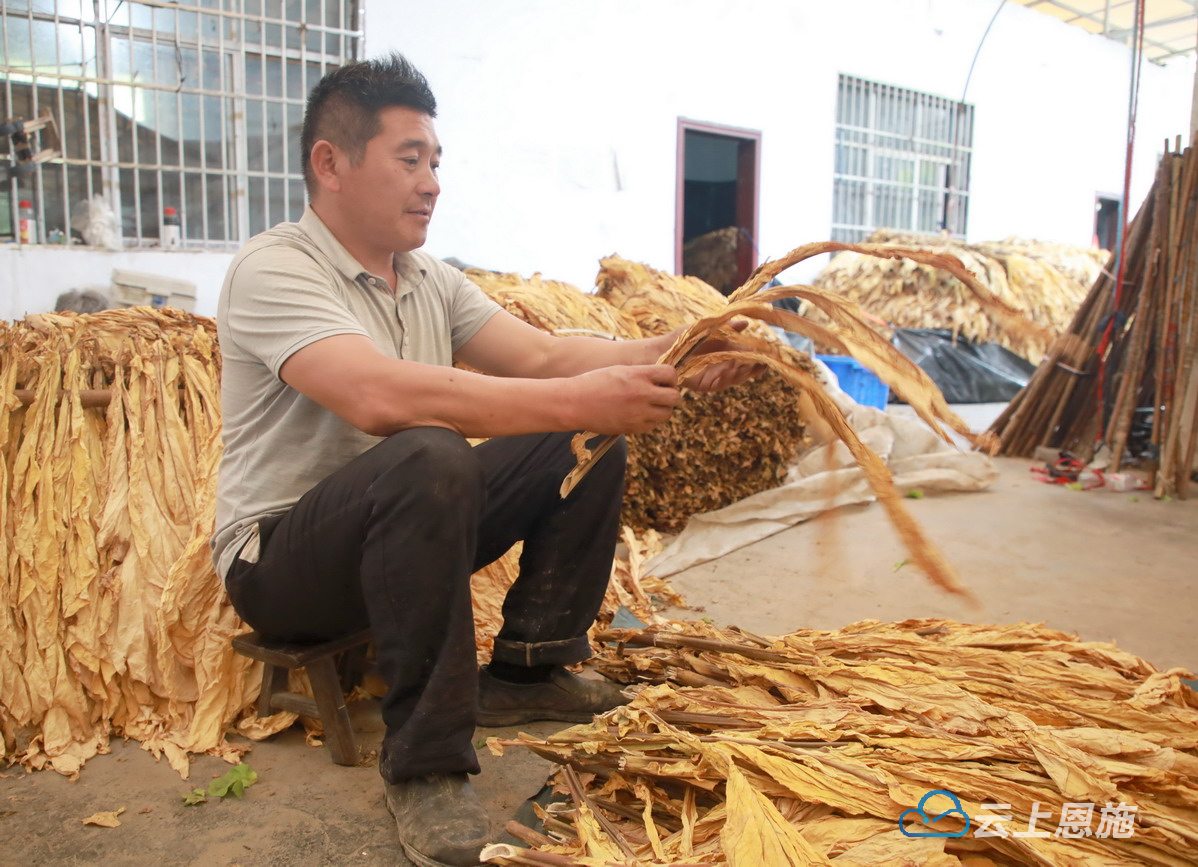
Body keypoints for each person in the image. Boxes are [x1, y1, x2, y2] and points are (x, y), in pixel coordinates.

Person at [211, 52, 757, 867]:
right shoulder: (275, 267)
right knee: (428, 449)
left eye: (436, 162)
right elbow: (375, 397)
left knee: (577, 440)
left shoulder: (428, 277)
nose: (432, 181)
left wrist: (676, 351)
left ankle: (530, 671)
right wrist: (585, 396)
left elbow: (540, 359)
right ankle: (425, 763)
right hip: (286, 564)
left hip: (398, 535)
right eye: (409, 159)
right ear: (330, 163)